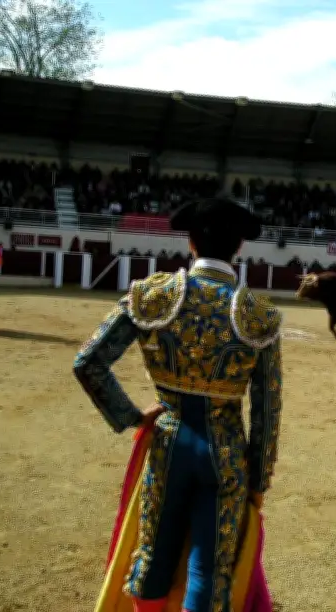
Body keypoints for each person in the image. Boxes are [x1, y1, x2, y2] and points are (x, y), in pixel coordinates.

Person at [73, 197, 283, 612]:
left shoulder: (155, 295)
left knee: (153, 558)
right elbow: (267, 408)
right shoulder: (257, 314)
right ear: (240, 246)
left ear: (190, 243)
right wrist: (258, 479)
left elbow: (89, 362)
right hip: (224, 454)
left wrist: (130, 415)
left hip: (168, 444)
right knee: (209, 571)